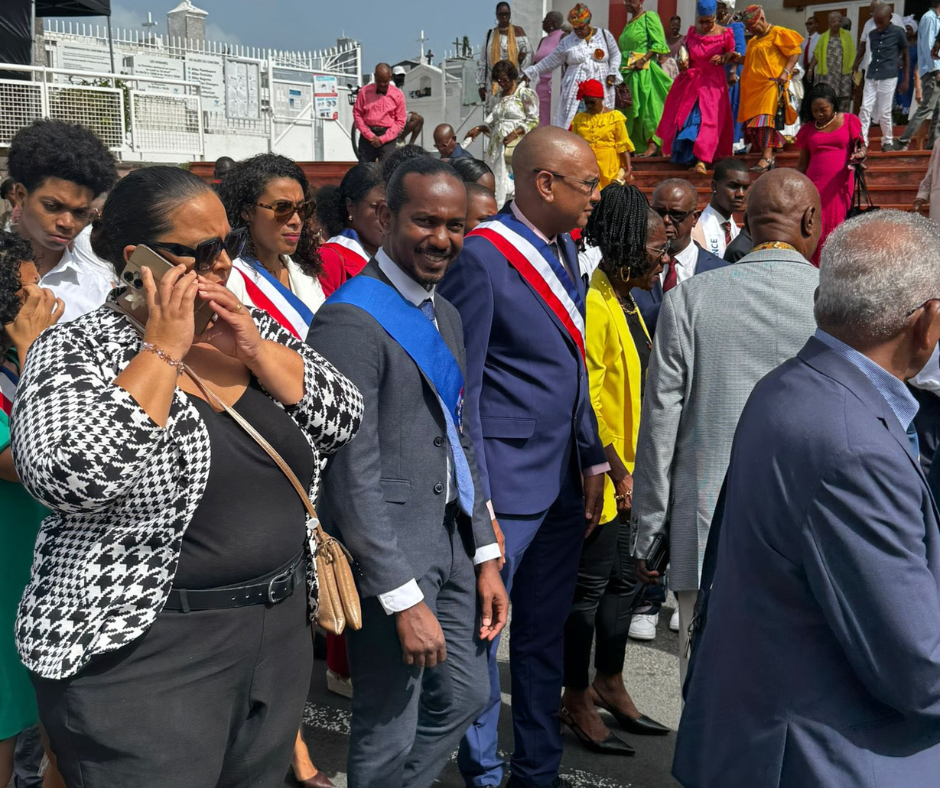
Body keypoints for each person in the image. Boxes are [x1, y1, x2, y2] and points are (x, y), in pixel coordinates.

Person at [12, 165, 362, 788]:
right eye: (200, 252)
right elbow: (65, 474)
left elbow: (343, 416)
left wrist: (253, 349)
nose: (223, 263)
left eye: (226, 244)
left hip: (275, 635)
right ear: (137, 258)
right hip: (149, 651)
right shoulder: (76, 349)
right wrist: (164, 351)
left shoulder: (241, 327)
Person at [673, 210, 940, 788]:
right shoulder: (852, 444)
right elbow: (920, 665)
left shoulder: (790, 384)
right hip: (826, 754)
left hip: (764, 727)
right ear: (927, 322)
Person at [307, 157, 508, 788]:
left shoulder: (443, 312)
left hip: (450, 543)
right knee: (387, 722)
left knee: (469, 695)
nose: (442, 238)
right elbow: (350, 471)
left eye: (455, 225)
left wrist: (485, 555)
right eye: (425, 221)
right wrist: (399, 595)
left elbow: (461, 437)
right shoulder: (349, 318)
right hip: (390, 554)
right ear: (387, 218)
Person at [439, 126, 608, 788]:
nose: (596, 194)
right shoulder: (482, 259)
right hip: (505, 488)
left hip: (564, 479)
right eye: (587, 182)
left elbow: (572, 365)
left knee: (542, 635)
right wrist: (477, 500)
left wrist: (592, 457)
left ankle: (537, 769)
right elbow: (465, 390)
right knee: (486, 635)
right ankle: (483, 772)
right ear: (546, 184)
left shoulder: (563, 246)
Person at [632, 168, 822, 686]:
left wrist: (650, 526)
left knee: (705, 680)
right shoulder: (832, 300)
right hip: (811, 527)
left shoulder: (691, 298)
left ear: (748, 223)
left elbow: (660, 419)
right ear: (810, 218)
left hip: (706, 522)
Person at [560, 185, 671, 758]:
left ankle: (611, 679)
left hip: (636, 473)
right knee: (590, 589)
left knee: (625, 585)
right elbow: (592, 400)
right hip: (607, 479)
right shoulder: (596, 301)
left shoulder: (632, 300)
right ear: (627, 244)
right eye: (656, 246)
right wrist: (621, 474)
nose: (664, 257)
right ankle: (575, 695)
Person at [0, 232, 64, 788]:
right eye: (27, 289)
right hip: (5, 572)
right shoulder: (22, 361)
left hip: (40, 568)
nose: (42, 296)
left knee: (54, 728)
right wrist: (34, 351)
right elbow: (30, 463)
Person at [7, 119, 117, 322]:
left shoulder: (97, 292)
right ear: (21, 195)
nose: (67, 223)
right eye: (52, 206)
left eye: (80, 213)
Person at [219, 154, 323, 340]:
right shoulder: (229, 278)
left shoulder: (305, 274)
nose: (296, 221)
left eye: (302, 209)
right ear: (247, 211)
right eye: (282, 208)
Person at [632, 179, 727, 336]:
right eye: (659, 212)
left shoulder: (721, 272)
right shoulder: (630, 269)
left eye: (676, 214)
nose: (666, 220)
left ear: (695, 218)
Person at [656, 0, 736, 174]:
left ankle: (703, 160)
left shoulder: (725, 33)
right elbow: (684, 54)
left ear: (715, 17)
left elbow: (732, 55)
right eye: (702, 21)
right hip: (691, 81)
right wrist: (682, 62)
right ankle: (688, 156)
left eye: (709, 21)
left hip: (713, 83)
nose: (705, 25)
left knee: (709, 120)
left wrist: (723, 59)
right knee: (689, 118)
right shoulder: (692, 33)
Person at [522, 4, 623, 132]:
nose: (579, 32)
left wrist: (613, 71)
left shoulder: (604, 35)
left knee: (600, 122)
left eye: (582, 28)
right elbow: (551, 60)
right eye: (576, 29)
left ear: (588, 22)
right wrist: (532, 71)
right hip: (576, 91)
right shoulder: (567, 41)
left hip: (601, 87)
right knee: (575, 124)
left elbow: (615, 55)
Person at [796, 83, 866, 265]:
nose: (819, 114)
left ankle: (833, 268)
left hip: (839, 184)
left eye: (823, 109)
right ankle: (814, 268)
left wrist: (860, 154)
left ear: (833, 105)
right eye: (814, 110)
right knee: (815, 227)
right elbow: (803, 163)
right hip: (814, 184)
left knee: (835, 225)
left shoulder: (849, 120)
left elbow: (861, 146)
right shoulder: (808, 129)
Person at [736, 6, 803, 173]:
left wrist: (785, 71)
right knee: (755, 124)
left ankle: (766, 157)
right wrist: (736, 58)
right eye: (749, 29)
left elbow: (795, 52)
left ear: (762, 20)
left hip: (771, 85)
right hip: (754, 88)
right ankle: (775, 146)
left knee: (765, 121)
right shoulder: (753, 40)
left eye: (753, 27)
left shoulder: (778, 33)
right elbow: (752, 60)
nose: (751, 31)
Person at [466, 60, 540, 206]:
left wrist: (515, 132)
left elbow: (533, 120)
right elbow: (492, 120)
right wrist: (479, 129)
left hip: (516, 146)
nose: (502, 83)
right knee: (499, 179)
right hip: (498, 146)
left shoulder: (523, 94)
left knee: (513, 180)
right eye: (499, 80)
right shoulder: (498, 97)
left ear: (513, 77)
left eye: (505, 80)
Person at [315, 164, 386, 297]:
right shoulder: (328, 258)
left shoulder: (396, 257)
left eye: (392, 208)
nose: (387, 217)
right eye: (377, 208)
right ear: (351, 206)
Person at [618, 0, 673, 157]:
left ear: (641, 2)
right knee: (630, 108)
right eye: (625, 1)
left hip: (644, 71)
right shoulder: (629, 23)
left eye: (631, 0)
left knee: (650, 110)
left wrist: (643, 59)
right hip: (628, 71)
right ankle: (635, 146)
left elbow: (659, 44)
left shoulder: (649, 17)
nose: (626, 3)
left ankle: (653, 144)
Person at [854, 5, 909, 152]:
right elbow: (864, 48)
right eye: (876, 22)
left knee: (885, 111)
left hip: (888, 75)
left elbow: (906, 55)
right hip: (871, 74)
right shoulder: (872, 34)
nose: (878, 26)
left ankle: (887, 141)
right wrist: (856, 64)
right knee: (865, 108)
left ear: (890, 18)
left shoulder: (898, 33)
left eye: (881, 22)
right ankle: (862, 141)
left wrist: (906, 79)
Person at [571, 79, 635, 188]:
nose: (589, 106)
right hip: (587, 164)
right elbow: (575, 145)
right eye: (586, 103)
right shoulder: (579, 118)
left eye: (592, 102)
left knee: (607, 196)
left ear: (601, 99)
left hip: (609, 165)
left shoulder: (615, 117)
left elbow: (622, 144)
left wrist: (628, 168)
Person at [895, 0, 940, 153]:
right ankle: (903, 140)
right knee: (926, 107)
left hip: (936, 69)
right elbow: (928, 45)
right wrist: (936, 70)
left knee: (938, 110)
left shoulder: (936, 18)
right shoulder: (929, 18)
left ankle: (933, 143)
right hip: (933, 71)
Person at [691, 157, 749, 257]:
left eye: (745, 188)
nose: (741, 194)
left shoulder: (738, 232)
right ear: (714, 186)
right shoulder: (694, 230)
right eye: (733, 186)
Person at [353, 63, 407, 163]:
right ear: (374, 76)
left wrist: (383, 139)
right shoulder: (364, 92)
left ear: (390, 77)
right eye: (379, 81)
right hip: (367, 136)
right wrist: (369, 135)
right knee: (364, 172)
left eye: (385, 82)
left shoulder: (398, 95)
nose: (382, 85)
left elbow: (400, 121)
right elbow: (357, 114)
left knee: (387, 172)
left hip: (388, 137)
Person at [479, 2, 531, 106]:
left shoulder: (518, 32)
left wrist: (524, 73)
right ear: (496, 15)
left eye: (507, 14)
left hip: (514, 82)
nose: (504, 17)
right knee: (495, 113)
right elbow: (483, 61)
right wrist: (481, 84)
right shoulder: (490, 35)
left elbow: (529, 54)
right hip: (494, 83)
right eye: (501, 14)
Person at [807, 12, 856, 110]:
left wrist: (855, 70)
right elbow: (816, 54)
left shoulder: (847, 36)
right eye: (834, 21)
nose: (837, 23)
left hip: (843, 74)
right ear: (829, 23)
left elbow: (852, 53)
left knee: (844, 100)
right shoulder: (823, 37)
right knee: (827, 98)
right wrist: (810, 69)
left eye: (839, 21)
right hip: (828, 75)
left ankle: (842, 121)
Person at [717, 1, 747, 151]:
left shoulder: (735, 26)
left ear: (722, 7)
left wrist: (733, 70)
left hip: (732, 72)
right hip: (720, 72)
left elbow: (741, 52)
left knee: (732, 105)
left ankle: (735, 141)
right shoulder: (716, 26)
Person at [533, 11, 568, 126]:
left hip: (555, 87)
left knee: (554, 120)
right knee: (540, 120)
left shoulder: (563, 37)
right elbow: (536, 62)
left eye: (545, 20)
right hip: (541, 88)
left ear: (553, 23)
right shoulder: (543, 40)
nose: (543, 23)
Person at [896, 17, 919, 116]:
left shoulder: (918, 46)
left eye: (909, 29)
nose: (907, 32)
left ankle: (907, 110)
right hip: (898, 72)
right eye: (905, 29)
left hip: (911, 74)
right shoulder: (898, 44)